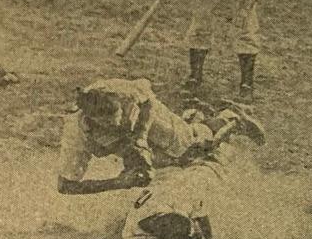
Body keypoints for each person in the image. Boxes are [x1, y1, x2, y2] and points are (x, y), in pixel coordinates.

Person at [55, 78, 259, 195]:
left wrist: (141, 136)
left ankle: (230, 118)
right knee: (156, 171)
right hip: (116, 142)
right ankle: (198, 115)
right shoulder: (76, 135)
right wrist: (117, 183)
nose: (115, 123)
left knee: (187, 148)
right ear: (90, 118)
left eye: (116, 115)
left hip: (145, 118)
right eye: (106, 122)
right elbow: (65, 186)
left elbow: (147, 102)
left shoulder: (120, 90)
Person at [119, 128, 267, 239]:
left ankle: (222, 126)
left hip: (180, 176)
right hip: (181, 179)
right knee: (219, 161)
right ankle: (228, 129)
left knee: (202, 153)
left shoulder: (179, 202)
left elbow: (200, 213)